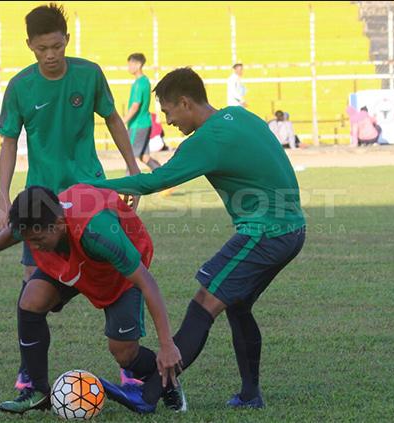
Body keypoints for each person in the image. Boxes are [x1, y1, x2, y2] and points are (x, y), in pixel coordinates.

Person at [85, 68, 306, 413]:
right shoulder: (239, 116)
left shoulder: (206, 140)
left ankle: (149, 395)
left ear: (186, 103)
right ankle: (250, 395)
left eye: (169, 112)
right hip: (290, 228)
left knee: (203, 302)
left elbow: (151, 182)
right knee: (238, 305)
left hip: (265, 232)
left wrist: (91, 189)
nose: (169, 120)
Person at [0, 3, 141, 399]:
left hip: (92, 197)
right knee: (32, 289)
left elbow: (112, 119)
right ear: (29, 45)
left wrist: (132, 170)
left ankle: (131, 370)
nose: (51, 54)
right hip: (41, 204)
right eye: (42, 48)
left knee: (115, 274)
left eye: (57, 45)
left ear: (67, 41)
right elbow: (9, 141)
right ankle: (30, 377)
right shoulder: (20, 86)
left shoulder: (89, 73)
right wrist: (3, 195)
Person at [0, 185, 182, 414]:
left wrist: (167, 345)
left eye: (38, 240)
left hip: (116, 276)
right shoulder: (40, 219)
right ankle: (38, 391)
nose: (33, 246)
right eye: (29, 240)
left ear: (59, 225)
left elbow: (147, 282)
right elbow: (14, 232)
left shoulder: (98, 232)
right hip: (74, 261)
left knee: (124, 353)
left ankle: (167, 381)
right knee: (30, 300)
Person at [122, 53, 161, 171]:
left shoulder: (139, 83)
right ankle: (166, 179)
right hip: (145, 123)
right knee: (144, 157)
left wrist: (122, 121)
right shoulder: (145, 81)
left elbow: (135, 106)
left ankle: (128, 188)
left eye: (131, 64)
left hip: (137, 125)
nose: (129, 67)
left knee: (130, 159)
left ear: (138, 65)